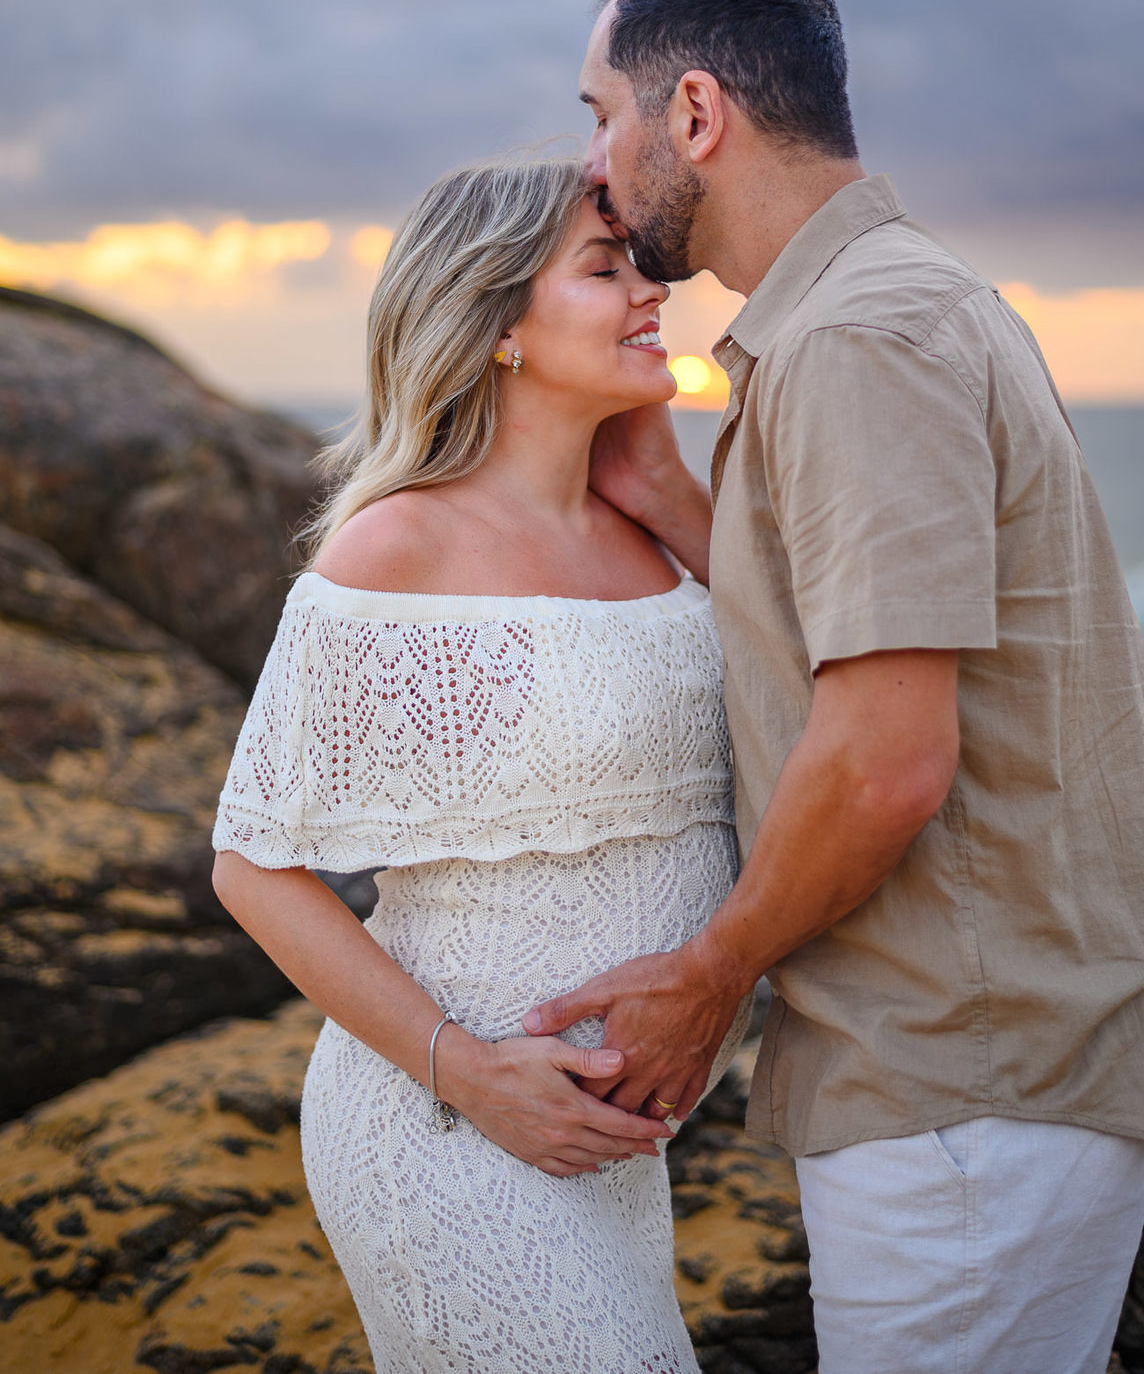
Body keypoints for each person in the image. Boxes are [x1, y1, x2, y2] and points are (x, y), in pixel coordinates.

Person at [522, 0, 1144, 1374]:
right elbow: (841, 634)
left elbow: (887, 757)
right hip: (988, 1077)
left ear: (694, 113)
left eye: (601, 114)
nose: (590, 162)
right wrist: (665, 499)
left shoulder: (859, 342)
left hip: (970, 1084)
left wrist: (710, 973)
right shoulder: (885, 306)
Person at [211, 154, 752, 1374]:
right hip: (447, 1130)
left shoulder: (660, 542)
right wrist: (466, 1074)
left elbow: (808, 688)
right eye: (604, 269)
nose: (649, 293)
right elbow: (254, 863)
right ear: (500, 318)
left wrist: (669, 487)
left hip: (612, 1148)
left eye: (644, 267)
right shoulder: (397, 548)